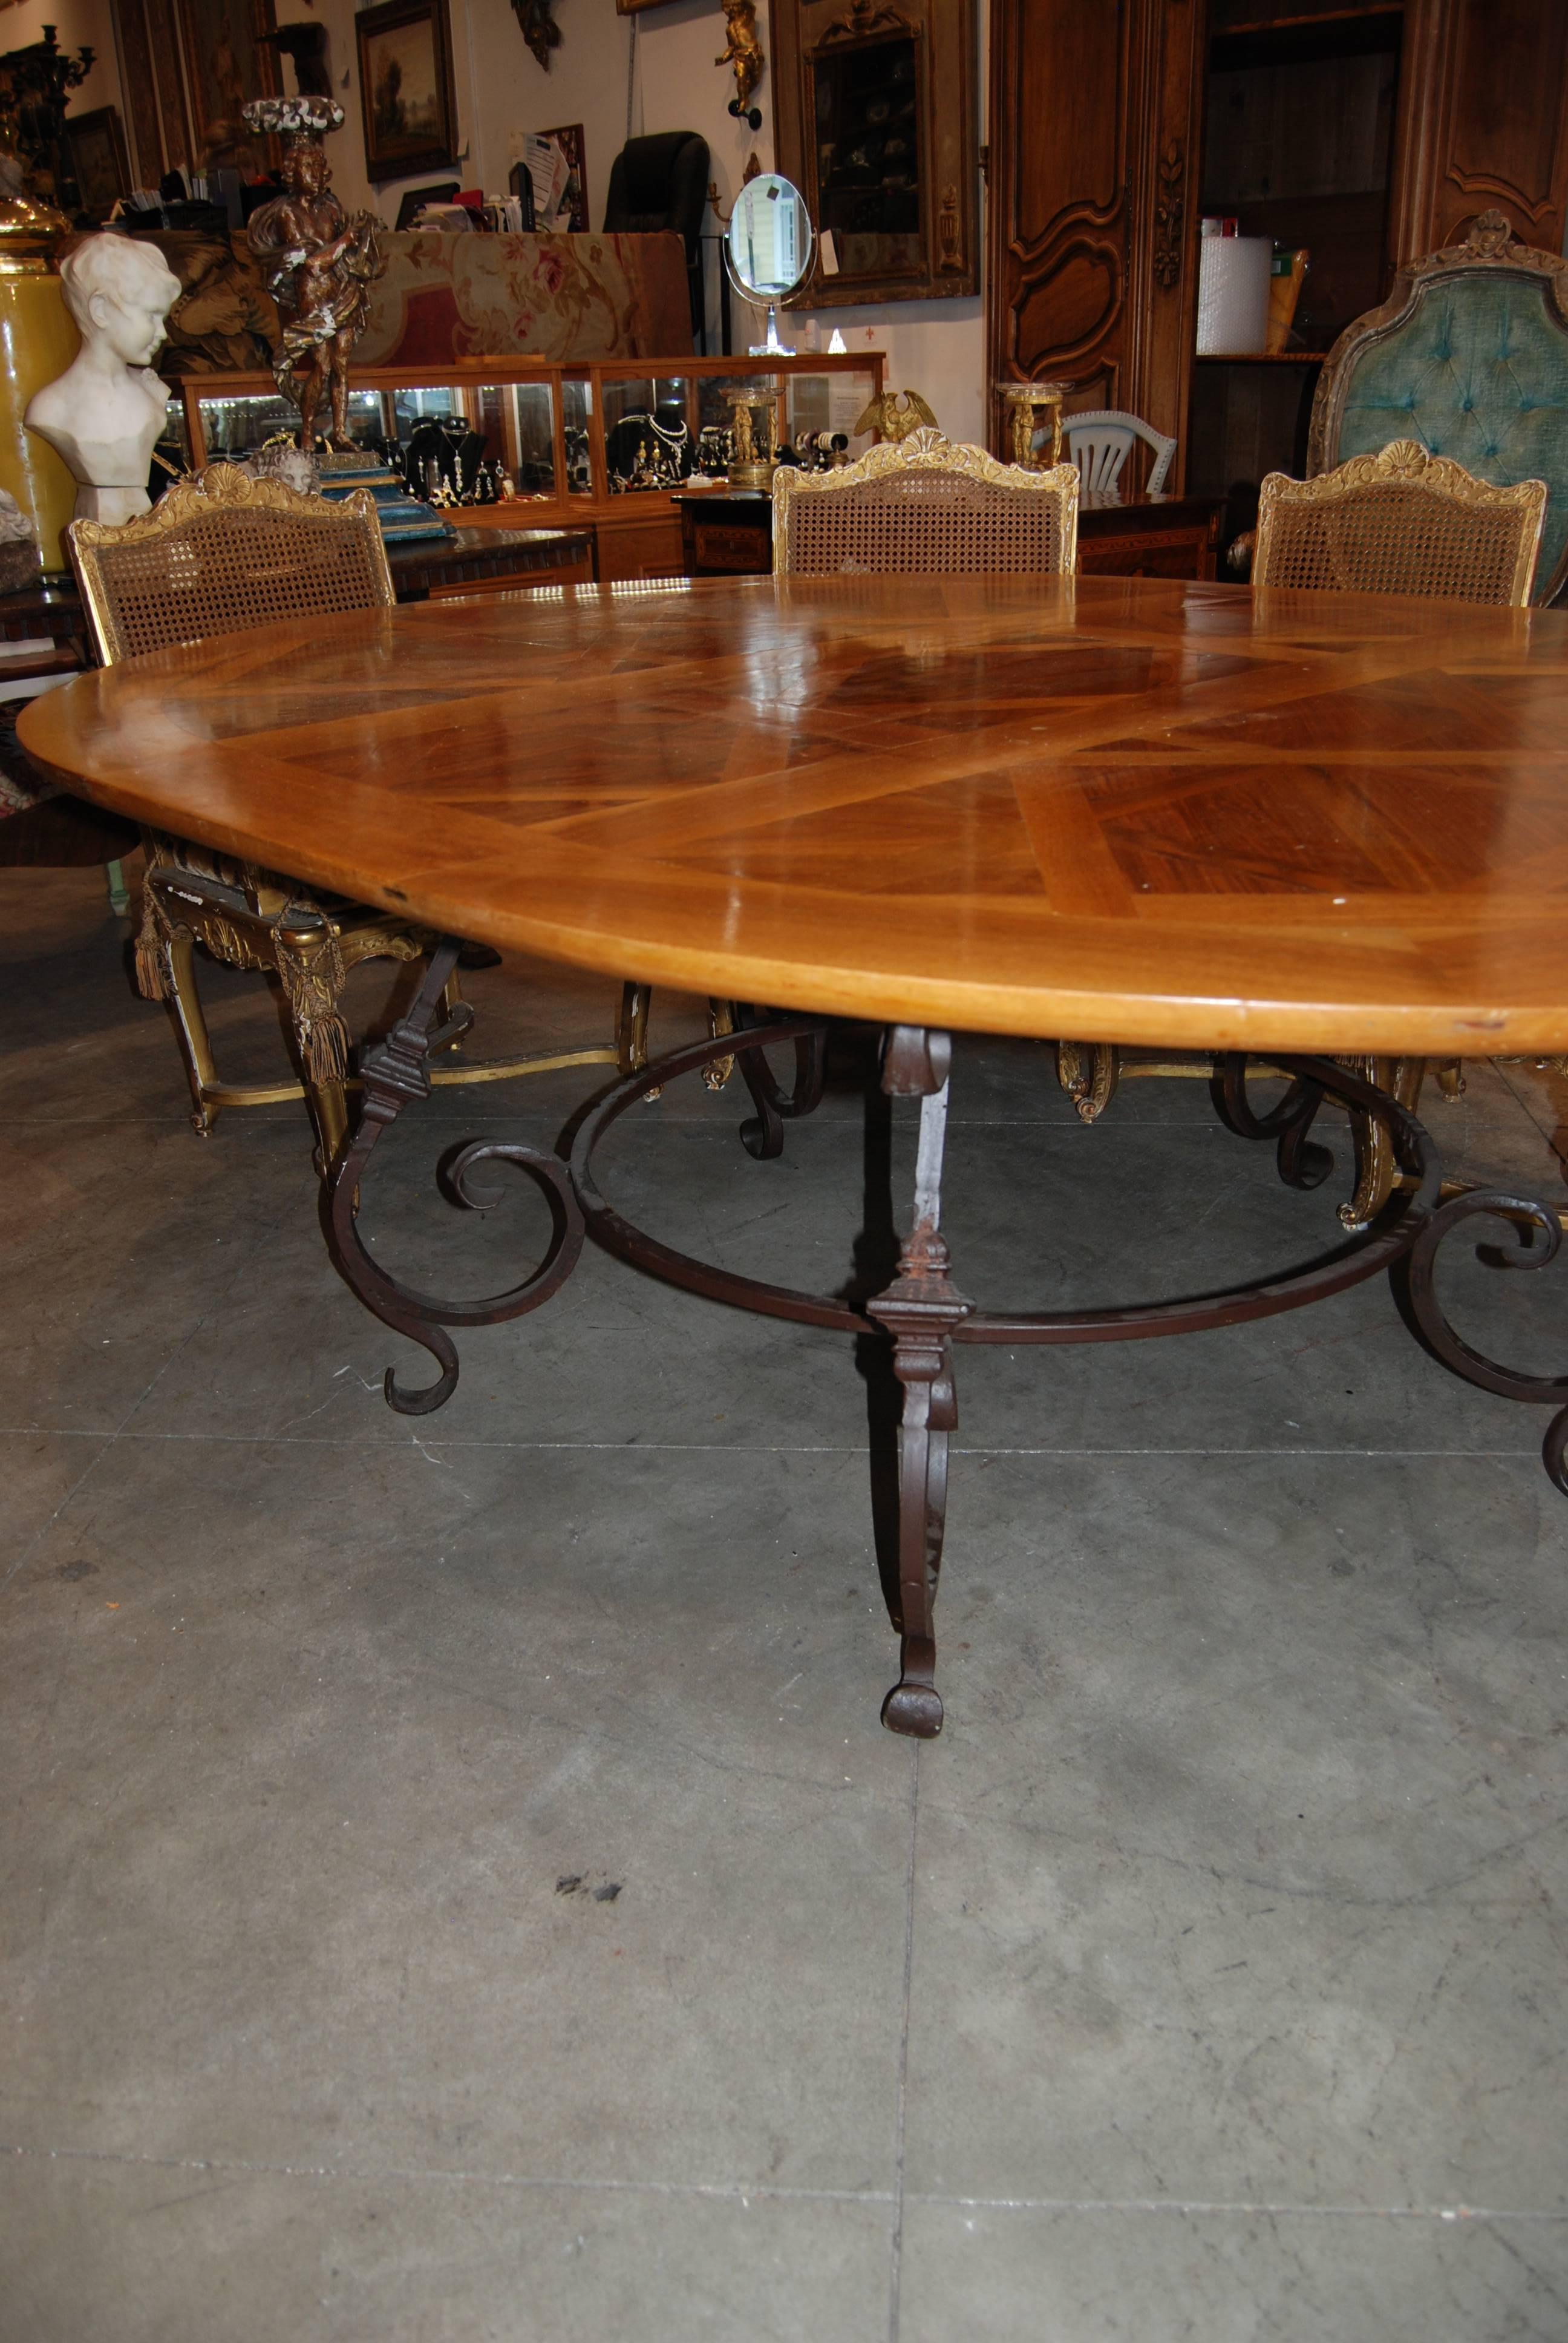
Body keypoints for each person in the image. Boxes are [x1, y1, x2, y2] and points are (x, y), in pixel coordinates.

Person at [25, 234, 181, 525]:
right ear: (100, 310)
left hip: (146, 533)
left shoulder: (153, 392)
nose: (162, 333)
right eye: (151, 316)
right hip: (99, 527)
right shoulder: (51, 409)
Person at [247, 138, 381, 450]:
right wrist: (346, 240)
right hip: (314, 294)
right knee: (322, 364)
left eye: (320, 167)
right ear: (293, 172)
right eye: (309, 167)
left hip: (342, 290)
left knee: (343, 365)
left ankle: (340, 432)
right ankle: (307, 431)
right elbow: (312, 264)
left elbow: (342, 256)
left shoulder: (332, 207)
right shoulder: (288, 213)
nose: (317, 174)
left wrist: (362, 240)